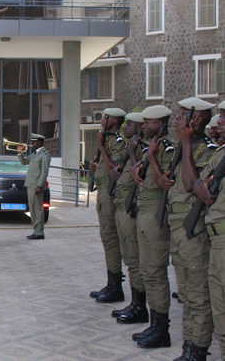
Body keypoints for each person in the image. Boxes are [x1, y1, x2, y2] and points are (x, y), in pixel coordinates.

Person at [166, 98, 217, 361]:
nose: (177, 118)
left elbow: (190, 184)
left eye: (183, 114)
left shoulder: (205, 149)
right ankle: (189, 346)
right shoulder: (185, 147)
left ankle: (197, 349)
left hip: (193, 229)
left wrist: (185, 143)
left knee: (198, 294)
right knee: (186, 292)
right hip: (178, 227)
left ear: (196, 120)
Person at [129, 105, 177, 349]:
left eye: (147, 122)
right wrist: (138, 164)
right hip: (144, 212)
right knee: (147, 269)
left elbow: (164, 182)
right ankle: (154, 322)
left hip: (157, 215)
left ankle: (162, 330)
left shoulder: (168, 150)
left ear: (159, 124)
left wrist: (149, 159)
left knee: (156, 271)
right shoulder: (151, 148)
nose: (143, 126)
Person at [108, 112, 149, 324]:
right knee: (128, 256)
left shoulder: (143, 150)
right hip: (121, 204)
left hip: (132, 208)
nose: (125, 127)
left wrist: (132, 151)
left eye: (130, 124)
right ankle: (135, 303)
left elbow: (137, 175)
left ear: (140, 128)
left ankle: (140, 307)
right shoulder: (130, 148)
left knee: (134, 258)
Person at [192, 110, 225, 361]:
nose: (219, 122)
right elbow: (198, 185)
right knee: (220, 309)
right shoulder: (221, 155)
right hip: (216, 240)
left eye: (224, 117)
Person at [89, 108, 127, 303]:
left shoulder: (117, 142)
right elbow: (104, 166)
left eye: (106, 117)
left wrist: (101, 146)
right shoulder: (107, 140)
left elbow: (115, 171)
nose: (103, 119)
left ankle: (115, 287)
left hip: (110, 194)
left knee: (111, 238)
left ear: (116, 120)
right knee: (107, 238)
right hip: (103, 192)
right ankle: (111, 283)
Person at [17, 133, 51, 240]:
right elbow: (24, 162)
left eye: (34, 142)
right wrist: (20, 152)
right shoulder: (36, 154)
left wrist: (40, 186)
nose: (32, 144)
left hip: (36, 185)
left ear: (40, 142)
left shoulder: (44, 155)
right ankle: (36, 231)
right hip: (31, 184)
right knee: (32, 209)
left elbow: (44, 173)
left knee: (37, 209)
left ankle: (39, 232)